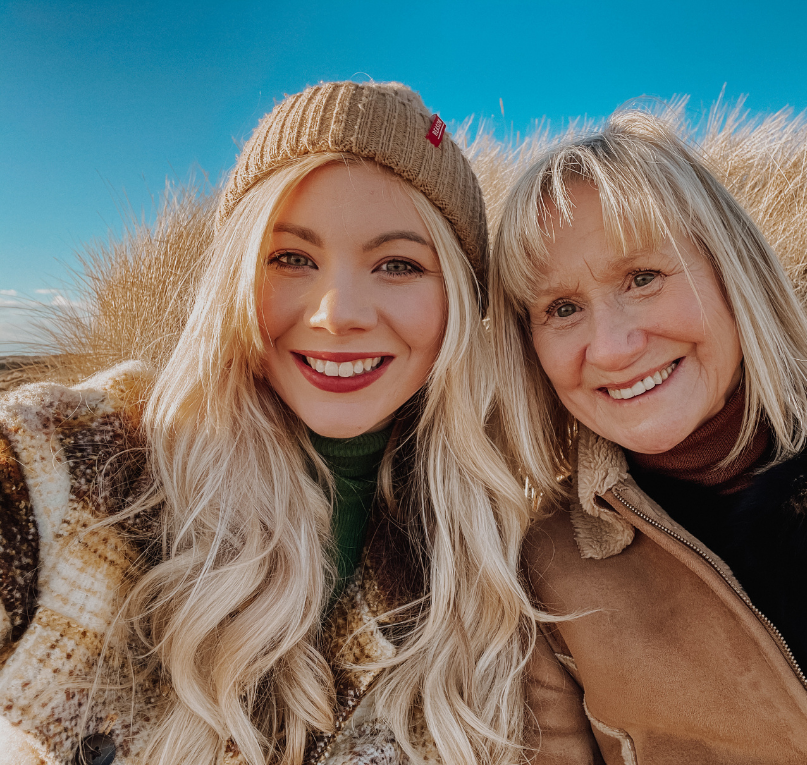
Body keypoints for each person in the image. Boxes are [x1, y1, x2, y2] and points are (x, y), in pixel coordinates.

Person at [0, 81, 535, 765]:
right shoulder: (85, 465)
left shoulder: (494, 559)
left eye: (397, 264)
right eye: (291, 259)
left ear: (458, 300)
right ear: (235, 279)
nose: (338, 313)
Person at [487, 109, 807, 764]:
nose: (614, 346)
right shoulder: (545, 575)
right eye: (562, 308)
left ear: (733, 271)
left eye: (644, 277)